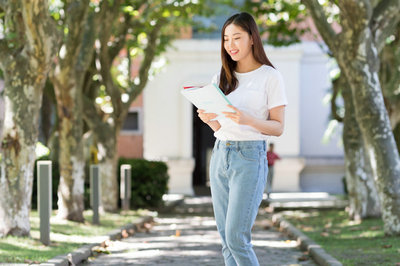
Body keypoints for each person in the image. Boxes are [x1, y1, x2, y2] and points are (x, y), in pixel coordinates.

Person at [197, 12, 288, 266]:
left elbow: (278, 127)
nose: (230, 45)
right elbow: (222, 126)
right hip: (220, 154)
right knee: (226, 240)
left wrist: (247, 119)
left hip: (249, 157)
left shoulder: (270, 76)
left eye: (237, 37)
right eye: (226, 39)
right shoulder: (222, 77)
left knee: (237, 238)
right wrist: (208, 119)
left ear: (252, 39)